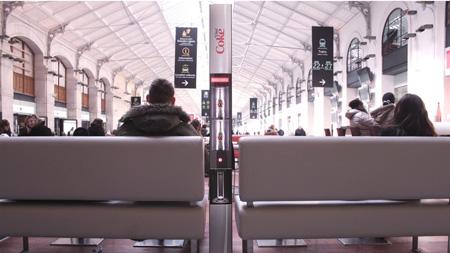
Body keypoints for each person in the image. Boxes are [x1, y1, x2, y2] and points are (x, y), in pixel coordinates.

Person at [117, 78, 198, 136]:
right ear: (173, 101)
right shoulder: (187, 132)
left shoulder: (126, 130)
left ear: (148, 98)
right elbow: (203, 158)